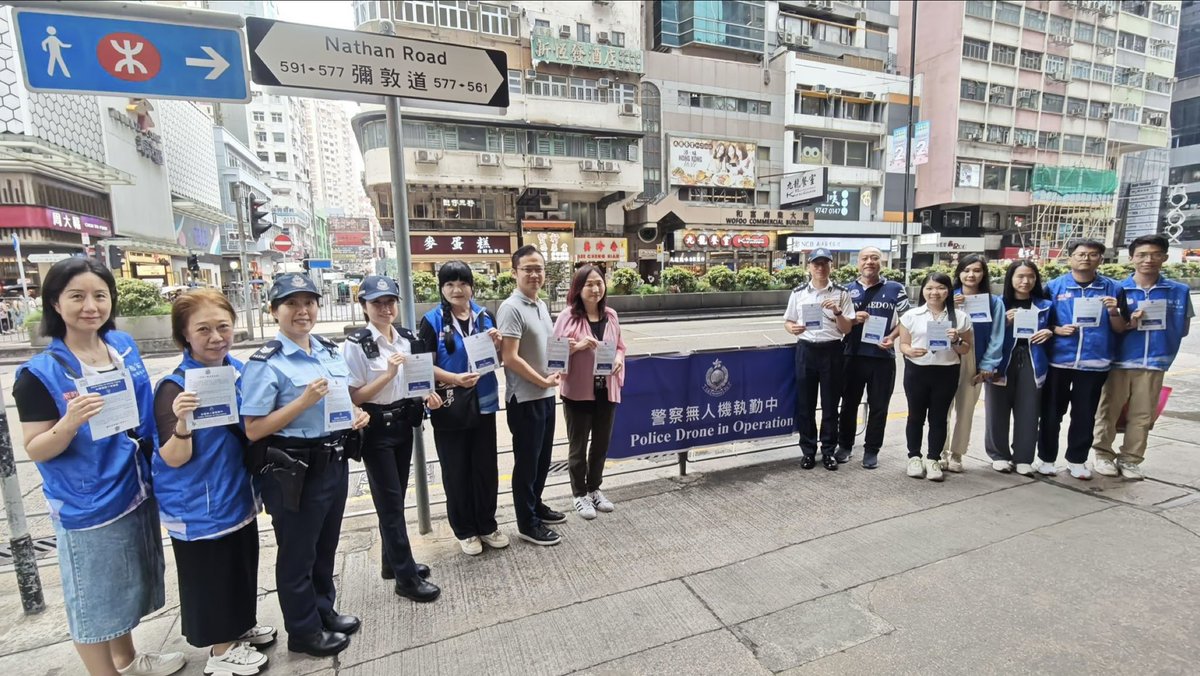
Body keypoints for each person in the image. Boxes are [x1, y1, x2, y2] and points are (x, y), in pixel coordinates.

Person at [12, 258, 184, 676]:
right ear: (54, 302)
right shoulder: (39, 374)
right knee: (93, 600)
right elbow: (36, 447)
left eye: (100, 295)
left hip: (134, 484)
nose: (90, 306)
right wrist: (70, 423)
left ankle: (126, 660)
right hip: (88, 502)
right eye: (77, 296)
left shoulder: (122, 345)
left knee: (125, 590)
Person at [240, 273, 370, 658]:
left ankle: (323, 610)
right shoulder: (267, 363)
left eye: (309, 302)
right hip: (294, 470)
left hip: (334, 459)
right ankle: (303, 630)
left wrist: (356, 414)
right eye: (291, 304)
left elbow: (339, 402)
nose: (303, 311)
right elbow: (253, 429)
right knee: (297, 552)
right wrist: (300, 402)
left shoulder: (327, 351)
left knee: (325, 545)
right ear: (274, 310)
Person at [153, 289, 275, 675]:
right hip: (197, 503)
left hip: (235, 493)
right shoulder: (174, 387)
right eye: (203, 329)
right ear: (184, 335)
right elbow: (173, 456)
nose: (216, 337)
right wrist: (184, 422)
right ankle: (221, 652)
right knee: (211, 573)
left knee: (241, 561)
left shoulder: (238, 370)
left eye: (223, 326)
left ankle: (239, 627)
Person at [342, 275, 441, 601]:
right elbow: (354, 396)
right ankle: (406, 578)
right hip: (376, 430)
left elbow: (417, 379)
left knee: (396, 499)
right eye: (377, 303)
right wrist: (388, 374)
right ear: (364, 307)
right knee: (389, 505)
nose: (385, 309)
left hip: (403, 424)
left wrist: (428, 393)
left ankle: (392, 563)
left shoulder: (408, 339)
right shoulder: (357, 345)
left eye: (390, 302)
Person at [418, 261, 508, 556]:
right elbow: (423, 366)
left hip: (483, 403)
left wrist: (498, 345)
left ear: (472, 286)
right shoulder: (431, 321)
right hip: (451, 405)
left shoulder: (485, 316)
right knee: (456, 470)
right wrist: (454, 379)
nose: (457, 290)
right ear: (441, 288)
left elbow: (499, 360)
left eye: (463, 283)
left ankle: (486, 523)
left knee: (484, 468)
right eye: (449, 284)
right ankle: (465, 530)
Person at [1093, 234, 1194, 480]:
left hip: (1155, 361)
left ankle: (1130, 459)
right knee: (1109, 410)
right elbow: (1106, 324)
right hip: (1119, 360)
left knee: (1143, 414)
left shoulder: (1178, 291)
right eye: (1141, 255)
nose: (1148, 260)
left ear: (1164, 257)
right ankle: (1103, 454)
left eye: (1154, 254)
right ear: (1131, 258)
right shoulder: (1117, 289)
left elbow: (1183, 327)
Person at [1039, 239, 1127, 479]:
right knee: (1051, 412)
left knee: (1085, 413)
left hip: (1094, 361)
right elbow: (1043, 322)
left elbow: (1121, 328)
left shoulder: (1114, 289)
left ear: (1100, 258)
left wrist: (1113, 310)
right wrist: (1057, 330)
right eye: (1080, 254)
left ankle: (1077, 460)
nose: (1086, 258)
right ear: (1070, 258)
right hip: (1058, 360)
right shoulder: (1054, 287)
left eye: (1092, 254)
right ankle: (1046, 458)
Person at [498, 245, 565, 545]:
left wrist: (565, 357)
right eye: (528, 268)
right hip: (525, 399)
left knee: (542, 459)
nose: (535, 274)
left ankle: (536, 505)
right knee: (526, 463)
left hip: (546, 394)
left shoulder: (540, 304)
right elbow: (510, 357)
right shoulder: (511, 308)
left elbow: (545, 348)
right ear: (514, 273)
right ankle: (527, 523)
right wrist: (541, 380)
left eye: (539, 268)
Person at [553, 265, 627, 519]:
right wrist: (578, 347)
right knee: (578, 446)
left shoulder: (612, 315)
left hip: (606, 390)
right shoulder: (567, 317)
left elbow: (620, 346)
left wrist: (618, 359)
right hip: (577, 392)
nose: (595, 289)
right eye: (589, 284)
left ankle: (595, 488)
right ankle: (579, 494)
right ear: (578, 288)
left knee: (601, 444)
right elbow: (554, 358)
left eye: (599, 283)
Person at [837, 246, 909, 469]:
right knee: (848, 405)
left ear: (882, 262)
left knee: (879, 406)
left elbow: (907, 320)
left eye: (874, 258)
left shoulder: (896, 288)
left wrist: (892, 336)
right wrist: (853, 319)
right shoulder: (846, 290)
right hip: (852, 355)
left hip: (882, 357)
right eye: (865, 258)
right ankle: (845, 446)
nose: (869, 262)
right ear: (858, 263)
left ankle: (872, 450)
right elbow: (838, 324)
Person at [897, 272, 973, 481]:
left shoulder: (960, 317)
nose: (934, 292)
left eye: (940, 288)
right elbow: (903, 344)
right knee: (915, 416)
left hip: (946, 370)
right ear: (923, 291)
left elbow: (966, 349)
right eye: (929, 288)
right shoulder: (911, 316)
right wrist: (909, 351)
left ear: (948, 291)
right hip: (917, 371)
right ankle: (914, 457)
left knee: (939, 418)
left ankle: (933, 459)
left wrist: (957, 339)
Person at [783, 248, 854, 471]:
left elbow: (847, 329)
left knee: (831, 404)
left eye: (825, 264)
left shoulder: (841, 293)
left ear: (831, 266)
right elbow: (788, 321)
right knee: (806, 404)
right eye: (816, 264)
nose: (820, 268)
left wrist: (838, 312)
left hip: (832, 350)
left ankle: (829, 452)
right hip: (806, 350)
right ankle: (808, 451)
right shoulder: (798, 293)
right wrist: (792, 328)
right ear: (809, 267)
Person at [984, 261, 1054, 476]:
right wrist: (1002, 323)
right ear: (1010, 279)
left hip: (1033, 359)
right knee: (996, 408)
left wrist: (1050, 332)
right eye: (1020, 276)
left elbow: (1055, 327)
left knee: (1030, 409)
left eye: (1030, 276)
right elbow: (983, 332)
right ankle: (999, 455)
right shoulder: (998, 304)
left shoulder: (1045, 305)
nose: (1025, 281)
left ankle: (1024, 457)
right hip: (1002, 360)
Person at [943, 254, 1005, 472]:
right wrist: (950, 305)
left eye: (977, 270)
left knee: (966, 408)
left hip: (975, 360)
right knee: (943, 408)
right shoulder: (946, 297)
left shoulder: (994, 302)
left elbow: (997, 335)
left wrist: (988, 363)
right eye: (967, 270)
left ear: (984, 274)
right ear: (959, 273)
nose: (971, 275)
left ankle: (957, 454)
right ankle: (939, 451)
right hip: (947, 357)